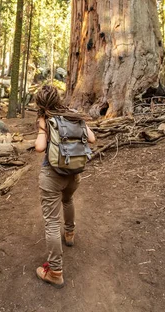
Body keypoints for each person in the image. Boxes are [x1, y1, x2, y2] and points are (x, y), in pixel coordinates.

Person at [33, 85, 96, 288]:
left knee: (51, 222)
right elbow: (92, 138)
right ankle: (69, 233)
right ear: (58, 98)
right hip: (74, 172)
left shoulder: (46, 120)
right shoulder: (74, 115)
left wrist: (43, 127)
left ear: (40, 104)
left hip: (52, 174)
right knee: (68, 200)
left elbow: (39, 148)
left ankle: (55, 271)